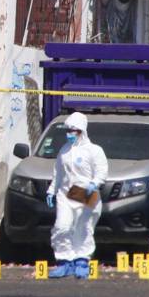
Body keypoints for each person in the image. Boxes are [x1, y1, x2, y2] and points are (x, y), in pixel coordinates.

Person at [46, 112, 108, 279]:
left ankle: (81, 261)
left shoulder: (94, 150)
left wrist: (95, 183)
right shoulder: (64, 150)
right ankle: (64, 261)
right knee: (62, 226)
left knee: (83, 228)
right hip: (66, 193)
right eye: (68, 131)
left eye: (73, 131)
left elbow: (102, 171)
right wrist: (52, 190)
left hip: (85, 193)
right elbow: (58, 174)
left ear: (82, 131)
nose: (70, 134)